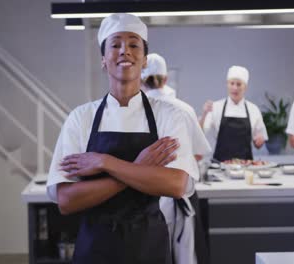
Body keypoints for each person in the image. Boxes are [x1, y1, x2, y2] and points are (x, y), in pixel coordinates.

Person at [46, 13, 198, 264]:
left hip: (149, 246)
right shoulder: (81, 118)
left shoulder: (169, 116)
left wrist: (106, 162)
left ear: (144, 59)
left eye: (134, 44)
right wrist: (140, 169)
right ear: (104, 60)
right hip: (96, 248)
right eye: (115, 45)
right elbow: (66, 200)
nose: (124, 51)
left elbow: (176, 185)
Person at [141, 52, 211, 264]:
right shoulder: (184, 109)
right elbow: (199, 153)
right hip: (181, 194)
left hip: (146, 197)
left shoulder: (135, 110)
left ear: (142, 79)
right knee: (184, 258)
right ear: (166, 78)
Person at [199, 65, 268, 162]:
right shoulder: (216, 107)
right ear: (227, 84)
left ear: (245, 87)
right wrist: (205, 113)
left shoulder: (253, 109)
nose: (235, 88)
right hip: (220, 166)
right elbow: (200, 132)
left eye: (239, 84)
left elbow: (258, 144)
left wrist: (260, 140)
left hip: (245, 167)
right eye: (232, 83)